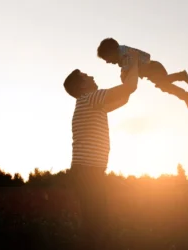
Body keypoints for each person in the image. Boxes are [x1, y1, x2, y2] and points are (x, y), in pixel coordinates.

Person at [63, 50, 140, 249]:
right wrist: (134, 64)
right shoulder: (91, 98)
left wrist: (127, 74)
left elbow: (124, 97)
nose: (92, 76)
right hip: (88, 171)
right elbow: (129, 88)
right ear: (82, 85)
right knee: (97, 223)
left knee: (95, 222)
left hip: (89, 171)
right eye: (86, 76)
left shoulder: (93, 103)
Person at [97, 37, 188, 109]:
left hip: (154, 68)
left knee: (162, 83)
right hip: (152, 69)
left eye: (107, 59)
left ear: (112, 51)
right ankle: (184, 92)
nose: (107, 62)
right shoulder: (123, 54)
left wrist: (124, 75)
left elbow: (127, 69)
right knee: (163, 85)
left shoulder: (125, 55)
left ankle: (182, 80)